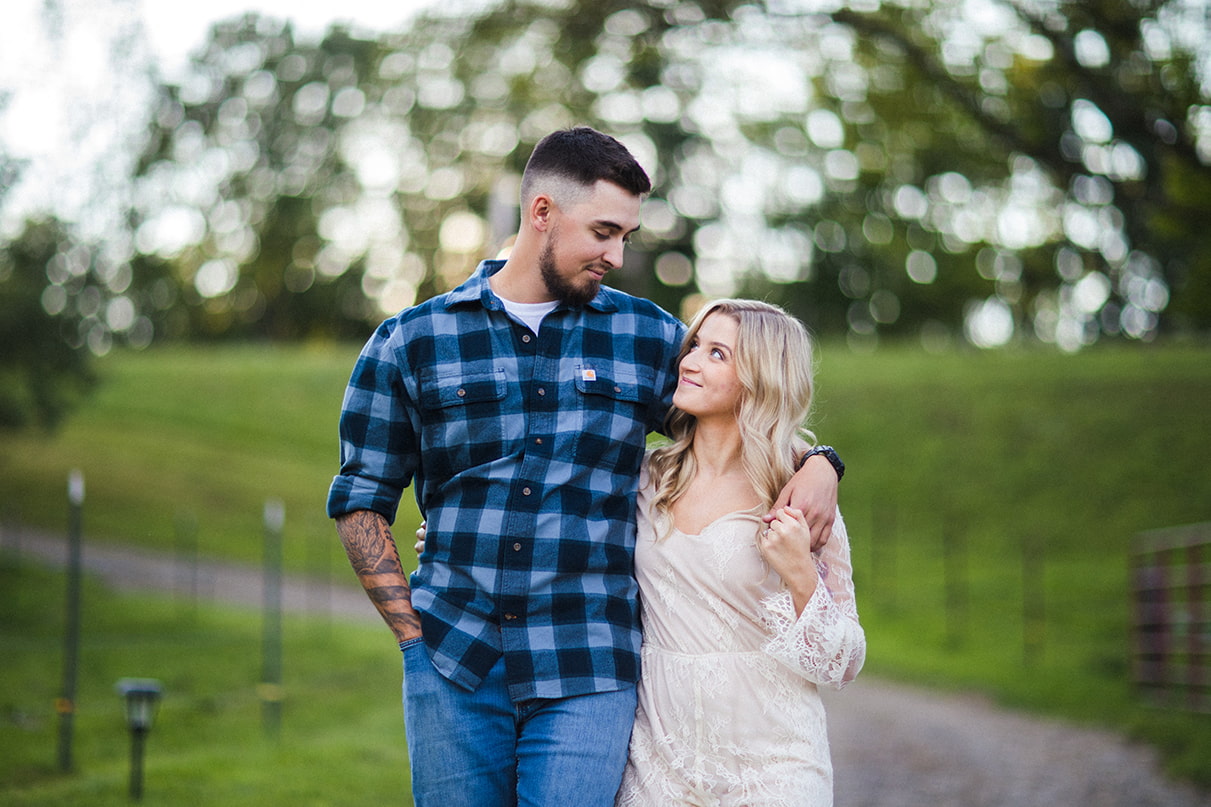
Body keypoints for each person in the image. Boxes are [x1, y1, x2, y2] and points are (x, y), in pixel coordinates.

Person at [326, 127, 845, 807]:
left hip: (588, 665)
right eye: (603, 231)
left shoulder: (645, 336)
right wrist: (411, 636)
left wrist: (820, 462)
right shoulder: (411, 341)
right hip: (452, 660)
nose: (616, 254)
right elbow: (361, 496)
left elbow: (737, 420)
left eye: (625, 235)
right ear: (542, 212)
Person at [614, 298, 865, 807]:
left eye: (717, 354)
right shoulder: (644, 478)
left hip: (774, 765)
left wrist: (800, 574)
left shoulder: (797, 495)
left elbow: (843, 663)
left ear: (760, 379)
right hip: (660, 761)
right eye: (693, 346)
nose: (688, 362)